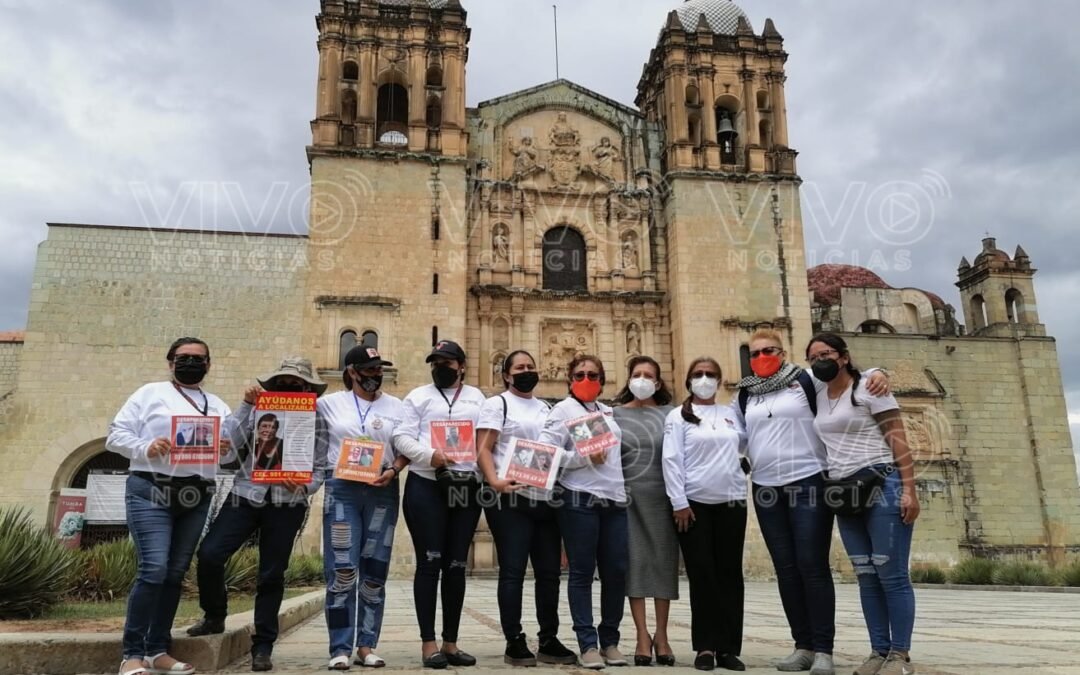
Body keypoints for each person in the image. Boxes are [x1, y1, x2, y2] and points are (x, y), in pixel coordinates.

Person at [733, 329, 891, 675]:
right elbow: (737, 435)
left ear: (783, 352)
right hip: (766, 487)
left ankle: (823, 649)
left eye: (769, 350)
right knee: (786, 568)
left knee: (811, 564)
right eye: (754, 353)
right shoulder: (745, 393)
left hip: (808, 481)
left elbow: (847, 376)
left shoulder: (806, 380)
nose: (761, 357)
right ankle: (802, 645)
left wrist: (879, 372)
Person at [187, 357, 328, 673]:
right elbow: (227, 444)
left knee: (271, 574)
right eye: (282, 382)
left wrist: (305, 486)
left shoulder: (317, 418)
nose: (288, 387)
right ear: (272, 385)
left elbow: (320, 466)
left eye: (296, 384)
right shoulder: (255, 409)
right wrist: (246, 406)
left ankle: (263, 645)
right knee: (210, 553)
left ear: (307, 388)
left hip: (288, 502)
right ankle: (214, 614)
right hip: (245, 493)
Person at [107, 337, 231, 675]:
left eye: (198, 358)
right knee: (154, 569)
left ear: (208, 364)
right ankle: (132, 654)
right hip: (152, 488)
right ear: (171, 361)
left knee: (175, 573)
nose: (191, 363)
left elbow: (231, 452)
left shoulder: (218, 405)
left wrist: (225, 448)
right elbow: (115, 435)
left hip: (196, 494)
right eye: (183, 357)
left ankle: (157, 649)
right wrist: (146, 446)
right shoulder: (149, 394)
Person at [806, 334, 919, 675]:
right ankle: (878, 650)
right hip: (845, 492)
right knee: (866, 575)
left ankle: (899, 654)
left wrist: (910, 489)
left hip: (882, 483)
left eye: (826, 354)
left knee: (891, 573)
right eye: (813, 357)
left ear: (843, 357)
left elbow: (897, 437)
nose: (819, 361)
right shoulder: (819, 393)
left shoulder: (870, 388)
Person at [475, 351, 577, 667]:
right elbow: (484, 448)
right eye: (519, 367)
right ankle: (514, 639)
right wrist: (495, 482)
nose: (526, 371)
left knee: (549, 573)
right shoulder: (498, 404)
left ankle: (548, 638)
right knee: (513, 570)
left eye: (530, 367)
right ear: (506, 375)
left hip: (544, 498)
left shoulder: (546, 408)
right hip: (510, 498)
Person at [393, 340, 487, 670]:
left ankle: (451, 642)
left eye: (446, 363)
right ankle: (428, 643)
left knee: (457, 564)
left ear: (461, 366)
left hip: (464, 487)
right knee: (430, 562)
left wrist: (481, 473)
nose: (440, 368)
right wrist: (429, 455)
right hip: (427, 485)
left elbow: (486, 439)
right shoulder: (418, 397)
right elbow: (401, 437)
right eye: (435, 363)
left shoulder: (477, 398)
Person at [320, 339, 410, 670]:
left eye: (378, 369)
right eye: (369, 370)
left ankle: (366, 644)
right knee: (342, 570)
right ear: (352, 372)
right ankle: (339, 647)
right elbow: (299, 427)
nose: (375, 375)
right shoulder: (329, 404)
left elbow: (405, 446)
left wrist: (394, 470)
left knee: (374, 572)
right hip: (342, 489)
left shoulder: (397, 406)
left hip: (381, 489)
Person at [539, 354, 627, 670]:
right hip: (579, 498)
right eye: (580, 374)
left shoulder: (607, 411)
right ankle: (588, 643)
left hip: (614, 498)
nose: (586, 379)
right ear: (570, 379)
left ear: (602, 380)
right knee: (582, 571)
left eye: (592, 374)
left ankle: (610, 641)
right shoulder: (562, 410)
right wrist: (582, 459)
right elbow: (544, 453)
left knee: (616, 571)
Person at [662, 357, 746, 672]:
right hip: (693, 505)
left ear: (720, 380)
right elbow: (671, 459)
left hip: (732, 502)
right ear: (688, 381)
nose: (705, 379)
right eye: (698, 374)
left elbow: (746, 446)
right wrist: (679, 502)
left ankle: (728, 648)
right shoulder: (677, 416)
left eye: (711, 374)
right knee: (702, 575)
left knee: (730, 575)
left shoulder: (731, 414)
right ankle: (706, 646)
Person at [612, 356, 677, 667]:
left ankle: (662, 635)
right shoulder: (613, 415)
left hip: (664, 498)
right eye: (636, 374)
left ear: (658, 382)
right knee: (635, 564)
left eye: (648, 375)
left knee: (663, 563)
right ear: (628, 379)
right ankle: (641, 634)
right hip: (627, 500)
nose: (641, 379)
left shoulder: (672, 414)